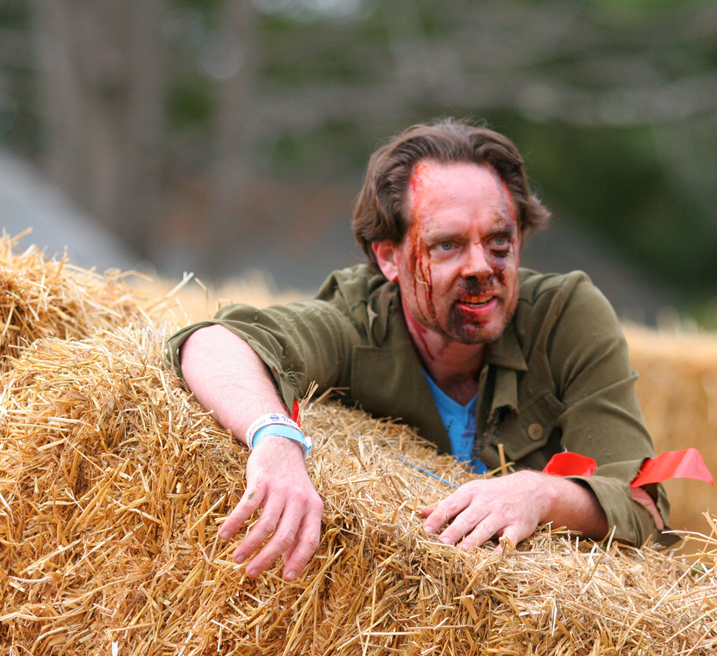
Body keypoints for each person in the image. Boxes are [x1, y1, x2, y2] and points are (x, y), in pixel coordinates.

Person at [166, 118, 675, 582]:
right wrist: (274, 441)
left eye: (499, 242)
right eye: (447, 245)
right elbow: (213, 342)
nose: (480, 267)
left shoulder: (566, 316)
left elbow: (643, 504)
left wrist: (540, 494)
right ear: (389, 257)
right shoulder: (354, 321)